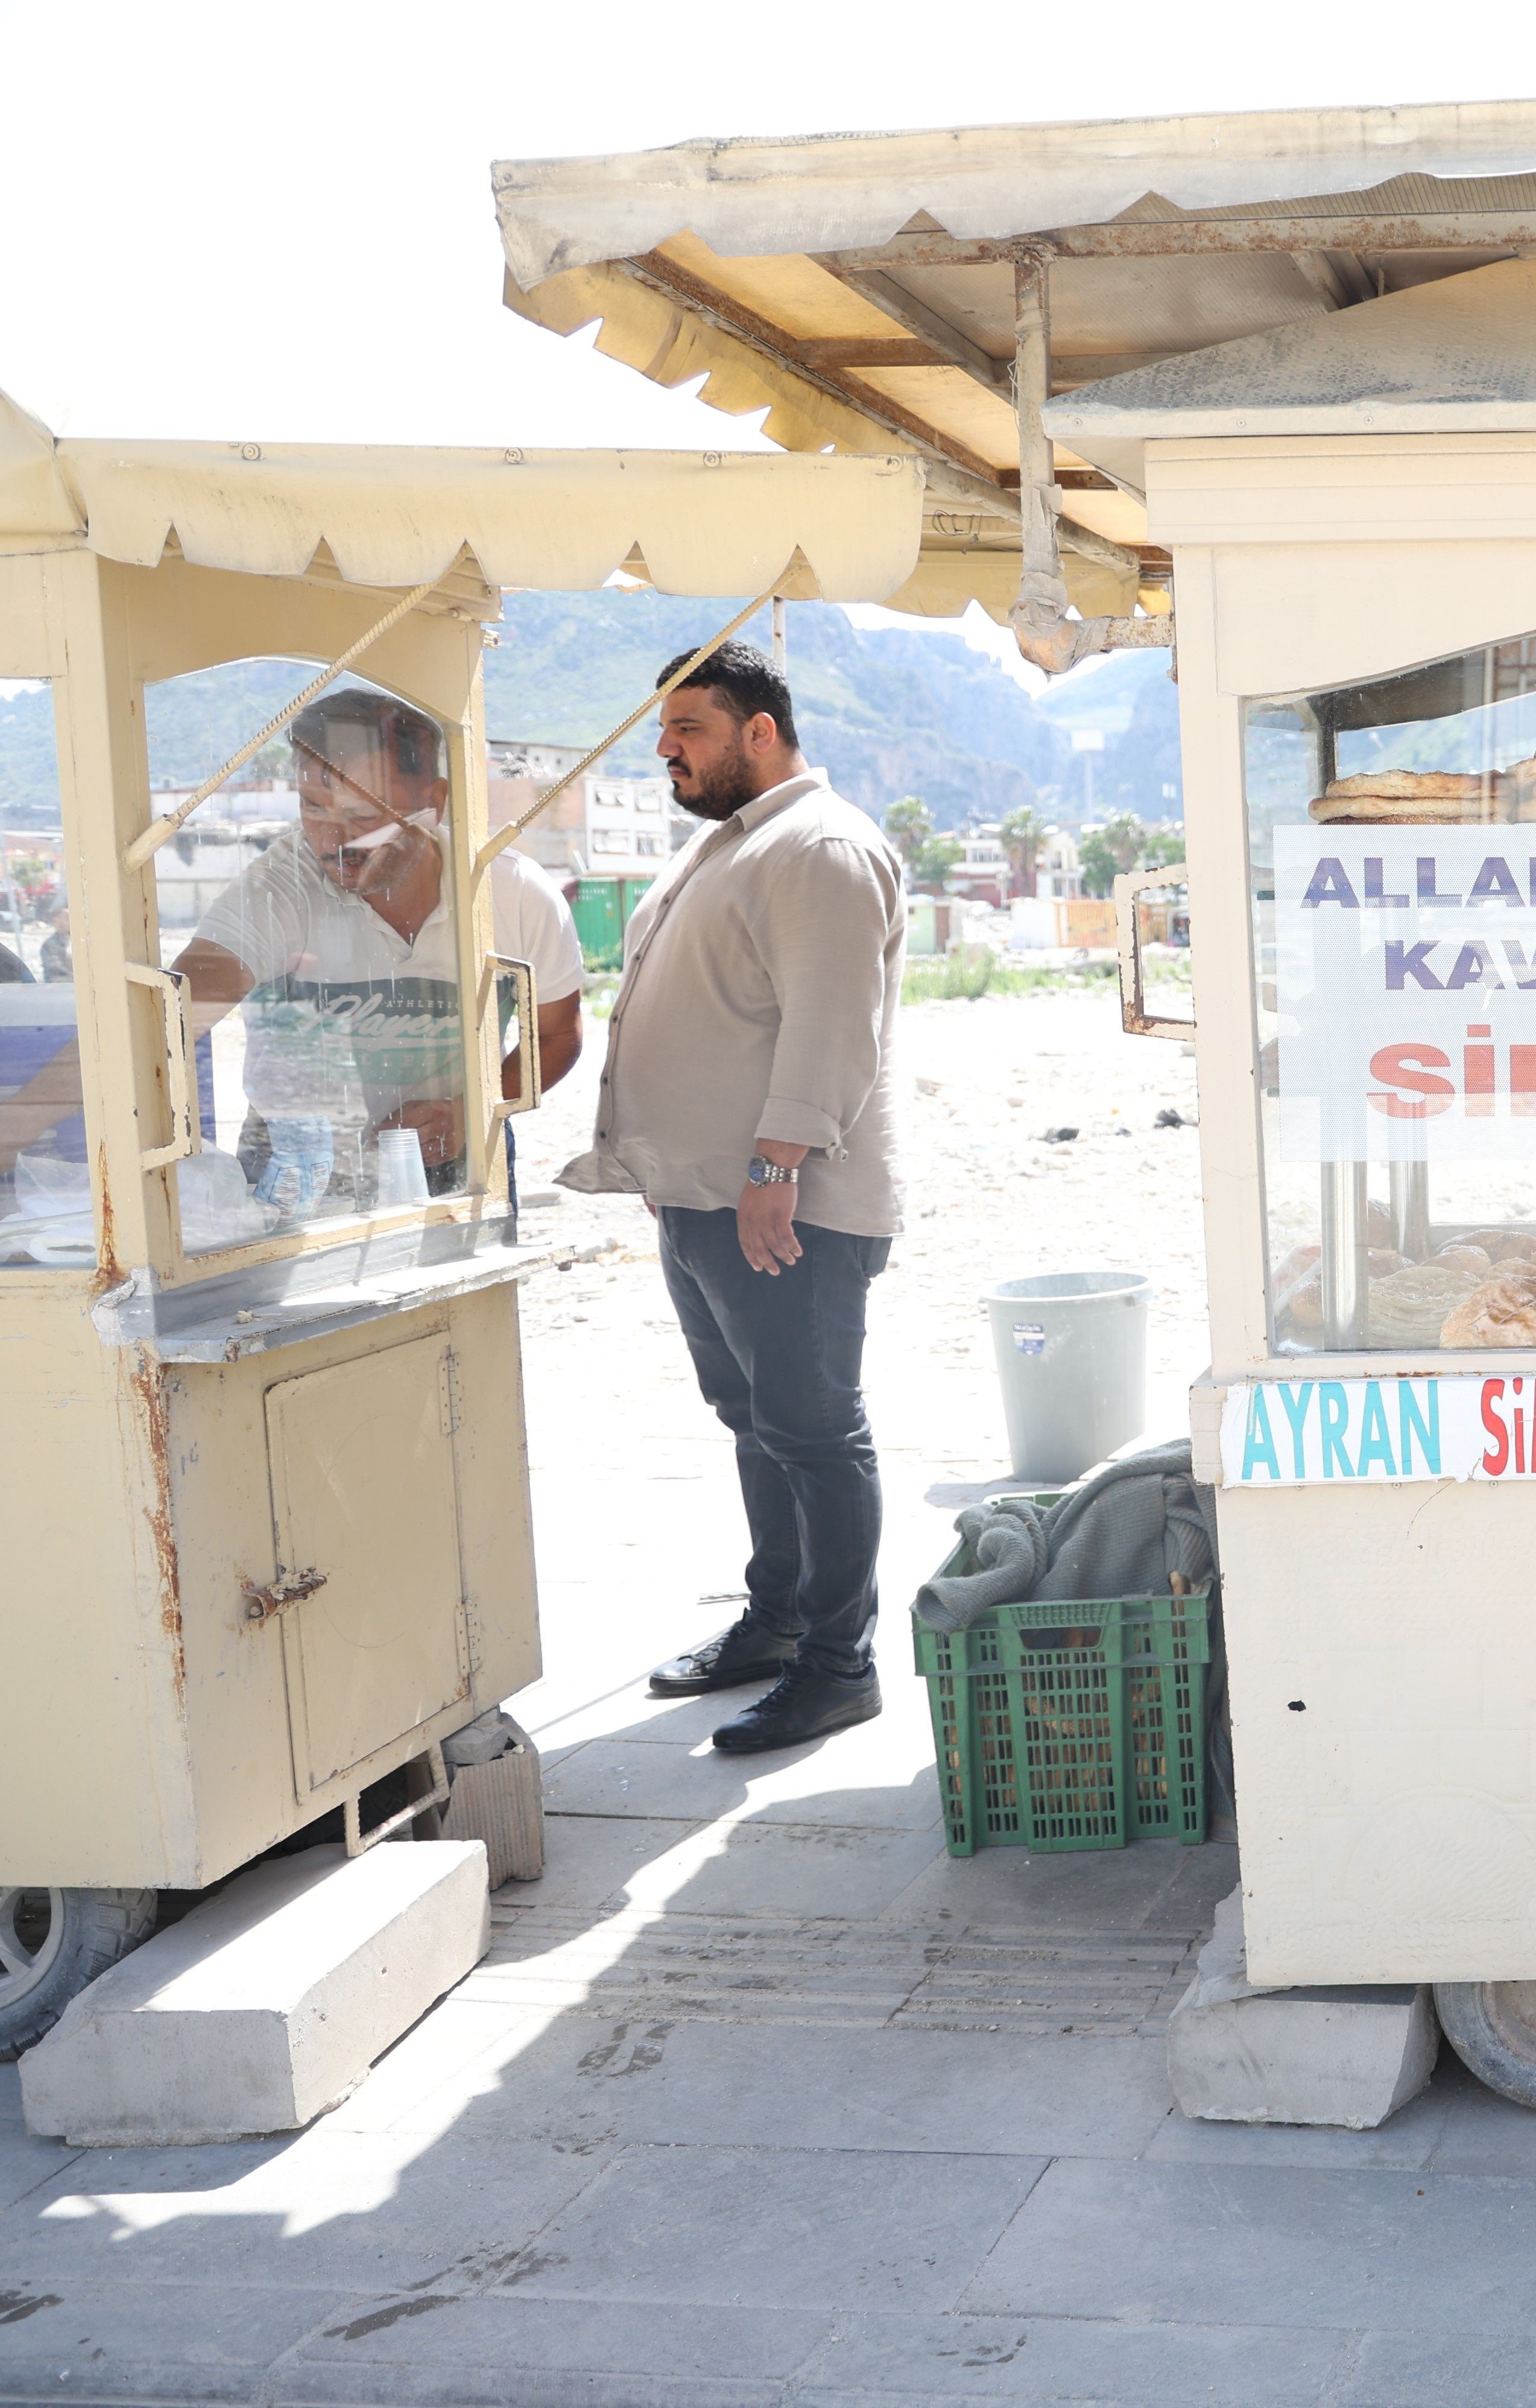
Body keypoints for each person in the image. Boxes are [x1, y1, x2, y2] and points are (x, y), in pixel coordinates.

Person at [562, 642, 906, 1753]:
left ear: (762, 731)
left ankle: (837, 1665)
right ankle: (776, 1623)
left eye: (692, 729)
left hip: (785, 1206)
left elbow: (828, 1025)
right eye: (666, 732)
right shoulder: (735, 845)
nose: (668, 749)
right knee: (755, 1422)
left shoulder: (820, 846)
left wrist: (774, 1169)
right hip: (710, 1199)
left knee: (812, 1430)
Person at [0, 690, 581, 1200]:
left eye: (362, 815)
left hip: (461, 1172)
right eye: (313, 808)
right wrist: (14, 1129)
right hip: (297, 1183)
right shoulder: (281, 887)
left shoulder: (511, 892)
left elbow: (557, 1035)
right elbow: (160, 1023)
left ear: (435, 799)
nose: (335, 841)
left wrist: (473, 1109)